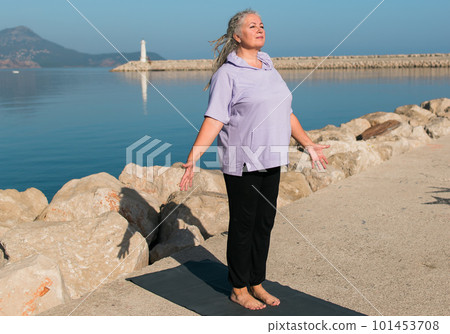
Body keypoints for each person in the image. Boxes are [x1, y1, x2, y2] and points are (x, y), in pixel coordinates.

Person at [179, 9, 329, 311]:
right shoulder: (228, 74)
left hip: (272, 159)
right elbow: (214, 119)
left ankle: (256, 282)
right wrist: (193, 158)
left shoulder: (269, 69)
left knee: (264, 224)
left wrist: (309, 145)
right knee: (243, 225)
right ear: (237, 35)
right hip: (242, 162)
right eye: (252, 26)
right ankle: (238, 287)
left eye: (262, 25)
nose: (259, 29)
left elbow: (287, 114)